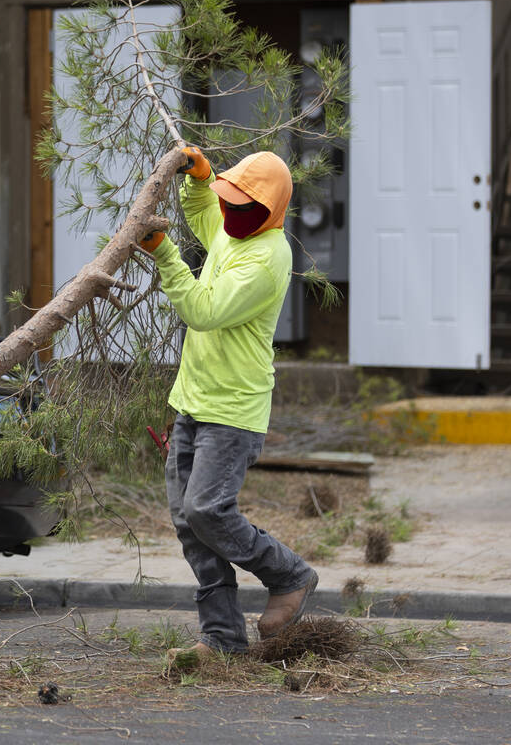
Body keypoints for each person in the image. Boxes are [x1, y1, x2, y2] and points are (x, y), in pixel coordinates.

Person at [140, 146, 317, 660]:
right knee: (187, 522)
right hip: (192, 400)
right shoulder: (233, 224)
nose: (232, 214)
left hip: (234, 410)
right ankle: (221, 640)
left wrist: (165, 255)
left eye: (243, 207)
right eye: (229, 202)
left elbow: (203, 310)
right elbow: (205, 215)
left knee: (206, 509)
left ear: (270, 212)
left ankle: (290, 574)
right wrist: (200, 181)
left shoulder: (267, 257)